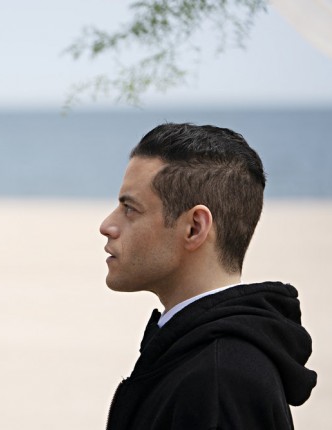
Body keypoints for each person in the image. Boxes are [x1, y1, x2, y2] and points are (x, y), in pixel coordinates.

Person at [99, 123, 317, 429]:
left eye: (130, 209)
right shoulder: (197, 356)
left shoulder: (219, 382)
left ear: (194, 228)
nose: (107, 226)